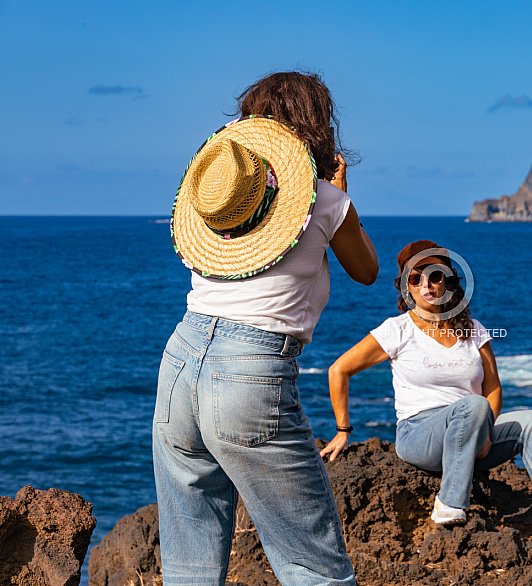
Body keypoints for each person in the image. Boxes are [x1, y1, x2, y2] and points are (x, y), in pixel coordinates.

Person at [153, 71, 378, 586]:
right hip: (251, 371)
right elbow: (366, 272)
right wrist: (342, 197)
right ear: (315, 126)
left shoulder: (217, 199)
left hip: (181, 362)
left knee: (189, 563)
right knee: (312, 565)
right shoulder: (327, 200)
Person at [321, 240, 532, 549]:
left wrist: (484, 430)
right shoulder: (397, 330)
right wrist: (342, 430)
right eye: (415, 278)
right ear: (406, 286)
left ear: (448, 281)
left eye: (434, 276)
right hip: (420, 436)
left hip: (474, 434)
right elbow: (339, 371)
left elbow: (493, 387)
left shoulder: (474, 330)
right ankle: (450, 502)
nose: (426, 285)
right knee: (471, 406)